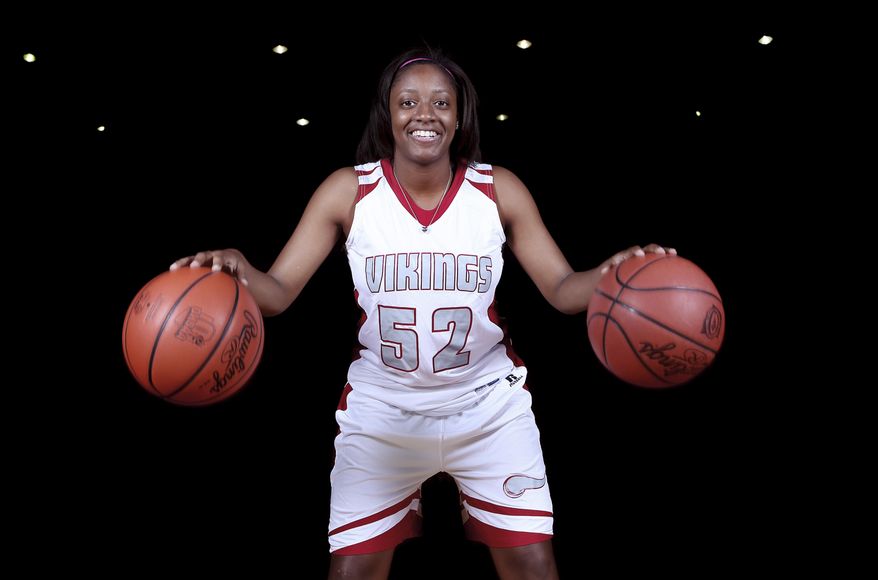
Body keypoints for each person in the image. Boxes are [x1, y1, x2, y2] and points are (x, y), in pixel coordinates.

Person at [171, 47, 674, 579]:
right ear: (388, 115)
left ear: (460, 118)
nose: (424, 114)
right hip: (383, 406)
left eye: (441, 103)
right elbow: (277, 293)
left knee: (532, 565)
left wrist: (612, 274)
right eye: (408, 102)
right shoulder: (351, 191)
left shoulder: (496, 190)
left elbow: (561, 288)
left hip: (486, 406)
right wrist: (238, 268)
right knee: (352, 573)